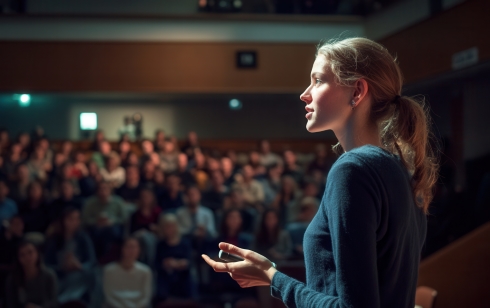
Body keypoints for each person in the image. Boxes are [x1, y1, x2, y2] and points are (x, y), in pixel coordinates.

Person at [202, 37, 438, 308]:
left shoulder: (353, 170)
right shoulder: (399, 169)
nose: (305, 93)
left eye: (318, 80)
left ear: (357, 92)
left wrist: (272, 276)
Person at [44, 207, 96, 304]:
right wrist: (62, 267)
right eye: (71, 219)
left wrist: (79, 266)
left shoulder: (83, 237)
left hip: (78, 275)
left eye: (77, 219)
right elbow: (47, 264)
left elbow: (92, 261)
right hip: (59, 276)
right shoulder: (55, 239)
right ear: (63, 220)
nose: (74, 222)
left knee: (90, 275)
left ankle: (66, 300)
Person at [155, 213, 196, 302]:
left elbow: (190, 261)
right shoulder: (160, 245)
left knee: (189, 278)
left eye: (172, 226)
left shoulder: (185, 243)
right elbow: (156, 263)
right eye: (167, 227)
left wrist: (181, 263)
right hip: (166, 276)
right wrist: (165, 264)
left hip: (183, 275)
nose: (170, 229)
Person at [5, 241, 58, 308]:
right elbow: (10, 304)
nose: (27, 257)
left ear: (37, 253)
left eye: (30, 252)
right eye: (22, 255)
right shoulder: (13, 279)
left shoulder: (49, 275)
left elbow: (54, 302)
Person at [103, 237, 153, 308]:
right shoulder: (109, 270)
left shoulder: (145, 271)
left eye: (135, 247)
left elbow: (146, 297)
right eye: (129, 247)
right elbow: (108, 296)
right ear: (122, 248)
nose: (131, 251)